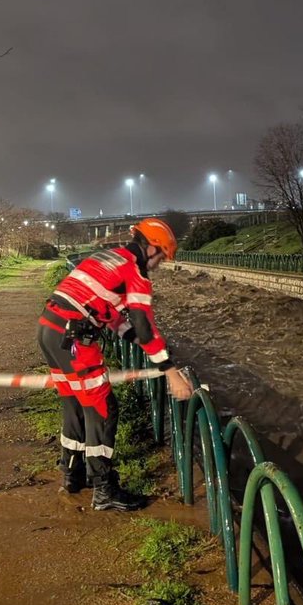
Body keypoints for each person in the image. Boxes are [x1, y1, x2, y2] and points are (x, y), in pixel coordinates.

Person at [36, 217, 193, 511]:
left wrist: (136, 340)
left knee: (75, 405)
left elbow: (114, 318)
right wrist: (171, 372)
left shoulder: (107, 258)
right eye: (162, 258)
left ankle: (72, 475)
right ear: (153, 249)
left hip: (50, 329)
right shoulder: (136, 273)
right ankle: (104, 489)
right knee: (103, 409)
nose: (160, 265)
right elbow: (144, 327)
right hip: (75, 341)